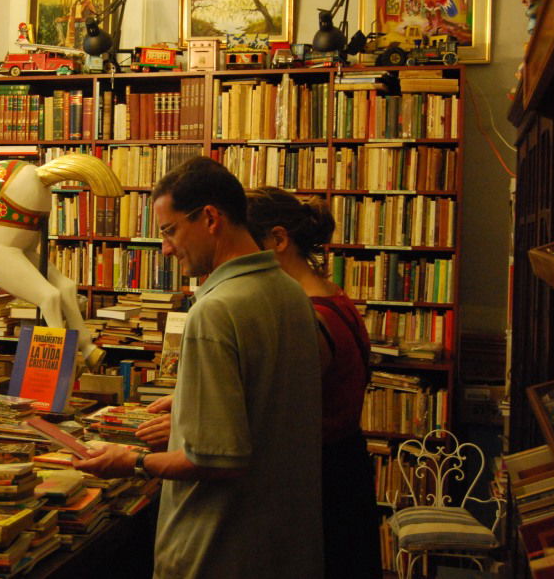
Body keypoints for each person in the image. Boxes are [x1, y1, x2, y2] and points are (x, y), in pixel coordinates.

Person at [75, 157, 323, 579]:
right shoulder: (291, 293)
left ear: (210, 217)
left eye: (170, 231)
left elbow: (217, 461)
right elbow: (266, 400)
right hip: (285, 547)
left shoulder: (216, 310)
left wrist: (130, 461)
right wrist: (193, 400)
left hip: (218, 549)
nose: (166, 248)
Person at [245, 186, 381, 579]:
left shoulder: (310, 317)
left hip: (322, 482)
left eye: (245, 247)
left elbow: (278, 417)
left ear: (279, 240)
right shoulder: (334, 299)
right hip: (343, 469)